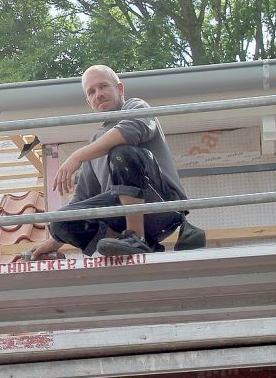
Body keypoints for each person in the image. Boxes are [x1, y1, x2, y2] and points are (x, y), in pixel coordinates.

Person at [30, 65, 205, 260]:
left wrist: (76, 156)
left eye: (103, 86)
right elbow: (83, 197)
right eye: (92, 91)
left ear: (120, 89)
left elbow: (130, 131)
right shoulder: (95, 142)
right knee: (60, 220)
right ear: (88, 102)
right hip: (118, 214)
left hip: (160, 206)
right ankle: (133, 243)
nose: (99, 94)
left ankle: (136, 237)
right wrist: (55, 238)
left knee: (122, 152)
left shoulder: (136, 106)